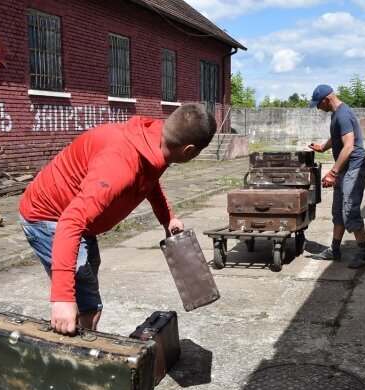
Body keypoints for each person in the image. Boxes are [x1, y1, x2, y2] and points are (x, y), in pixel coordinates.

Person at [18, 104, 217, 334]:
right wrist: (62, 298)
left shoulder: (153, 142)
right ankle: (80, 360)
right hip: (48, 217)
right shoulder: (119, 165)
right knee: (88, 306)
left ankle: (82, 345)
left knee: (87, 293)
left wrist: (167, 218)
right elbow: (70, 222)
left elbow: (149, 180)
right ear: (190, 151)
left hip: (79, 219)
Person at [307, 84, 365, 268]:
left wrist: (333, 172)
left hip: (354, 168)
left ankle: (363, 254)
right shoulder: (337, 113)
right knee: (338, 210)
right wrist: (322, 147)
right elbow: (337, 138)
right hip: (346, 168)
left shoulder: (343, 114)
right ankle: (335, 250)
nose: (319, 108)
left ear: (327, 99)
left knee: (350, 209)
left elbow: (349, 146)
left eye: (319, 105)